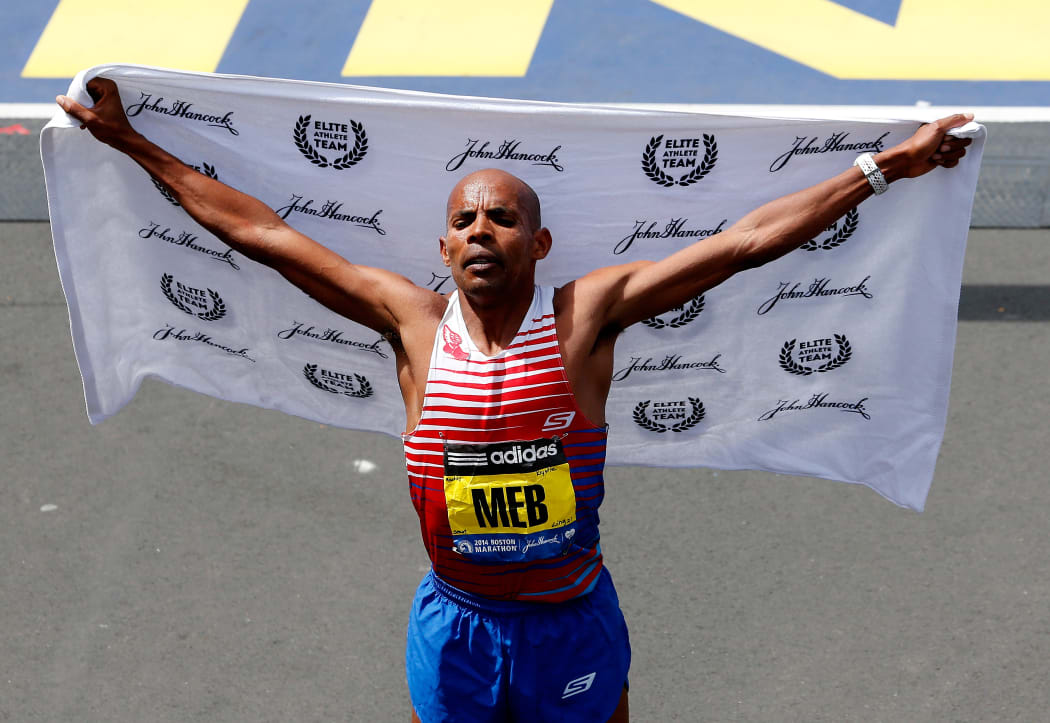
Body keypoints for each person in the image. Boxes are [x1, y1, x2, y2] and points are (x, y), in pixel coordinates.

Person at [57, 77, 973, 723]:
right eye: (464, 219)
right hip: (457, 621)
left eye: (503, 217)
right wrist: (130, 140)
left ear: (539, 244)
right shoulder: (410, 323)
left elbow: (744, 244)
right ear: (444, 249)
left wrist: (887, 167)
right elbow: (258, 232)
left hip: (569, 617)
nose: (482, 229)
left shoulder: (587, 317)